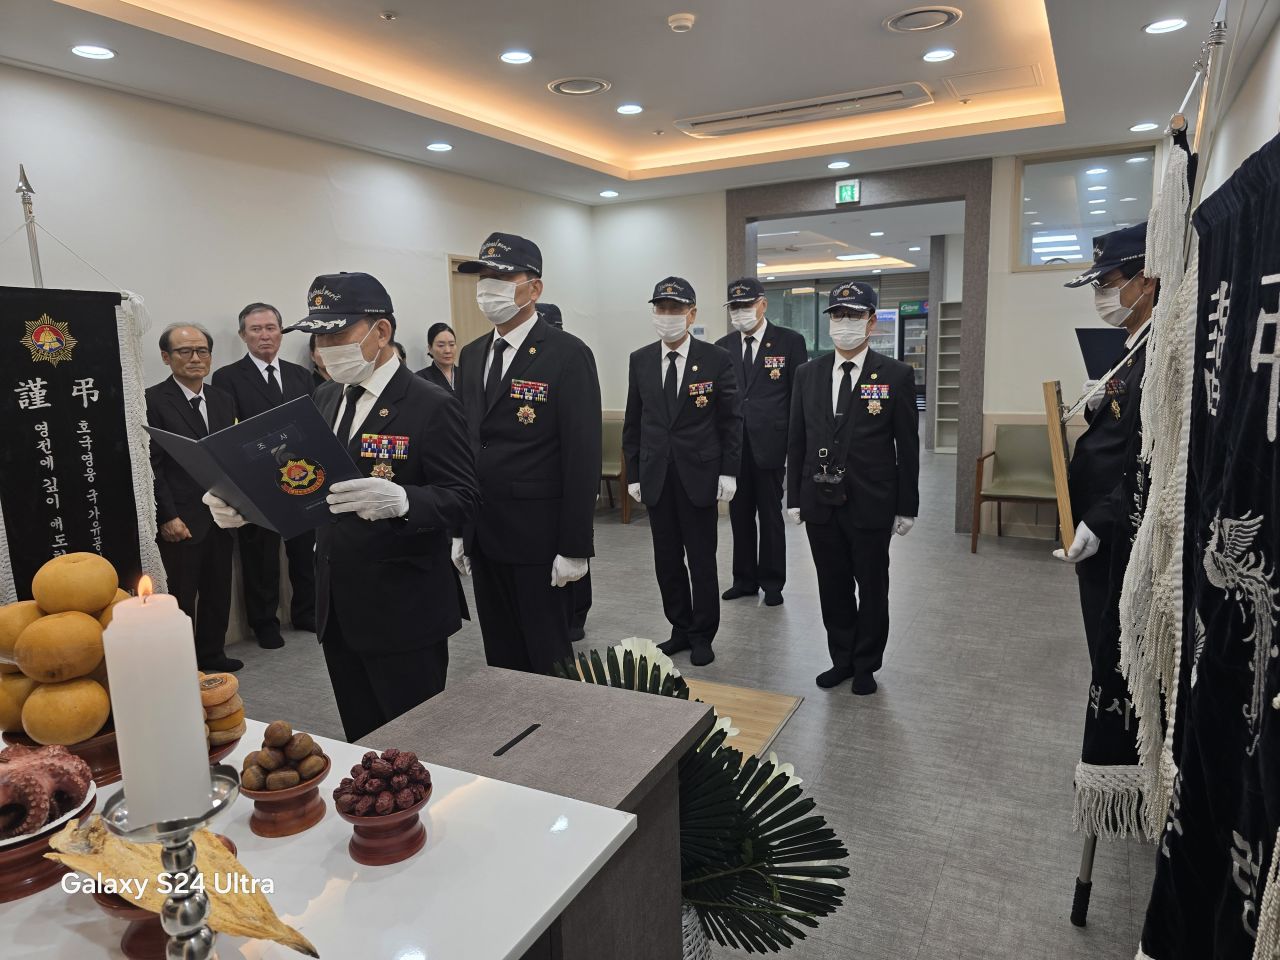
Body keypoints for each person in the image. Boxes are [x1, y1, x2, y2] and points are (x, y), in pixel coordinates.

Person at [205, 272, 479, 742]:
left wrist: (404, 499)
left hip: (403, 606)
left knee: (414, 745)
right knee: (363, 740)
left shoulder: (430, 404)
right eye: (318, 337)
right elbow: (304, 479)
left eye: (337, 334)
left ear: (381, 331)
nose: (325, 348)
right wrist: (245, 503)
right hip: (339, 604)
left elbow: (465, 498)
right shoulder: (327, 395)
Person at [451, 233, 601, 674]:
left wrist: (576, 546)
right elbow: (467, 444)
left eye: (501, 277)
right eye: (483, 277)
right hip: (484, 530)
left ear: (534, 288)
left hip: (539, 536)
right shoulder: (473, 354)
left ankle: (556, 723)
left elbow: (582, 455)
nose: (488, 288)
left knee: (548, 657)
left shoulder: (568, 354)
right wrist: (460, 529)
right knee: (500, 655)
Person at [787, 281, 919, 695]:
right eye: (838, 315)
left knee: (873, 585)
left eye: (854, 315)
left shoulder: (896, 375)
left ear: (871, 321)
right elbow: (797, 439)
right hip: (819, 499)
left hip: (871, 499)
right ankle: (841, 658)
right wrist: (793, 497)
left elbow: (907, 446)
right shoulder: (807, 374)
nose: (845, 323)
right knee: (833, 583)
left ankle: (866, 664)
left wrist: (907, 506)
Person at [623, 277, 742, 666]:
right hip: (657, 476)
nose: (667, 315)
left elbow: (731, 420)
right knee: (667, 560)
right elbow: (634, 421)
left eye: (675, 309)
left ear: (691, 314)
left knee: (702, 560)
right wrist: (634, 473)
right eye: (661, 308)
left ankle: (703, 634)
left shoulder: (715, 358)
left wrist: (729, 471)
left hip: (699, 475)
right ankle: (680, 627)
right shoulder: (640, 359)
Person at [211, 303, 316, 648]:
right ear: (243, 335)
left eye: (271, 328)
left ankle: (307, 611)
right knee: (261, 555)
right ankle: (264, 622)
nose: (265, 335)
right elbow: (230, 431)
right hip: (257, 478)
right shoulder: (227, 377)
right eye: (256, 329)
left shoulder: (300, 376)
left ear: (281, 333)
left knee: (304, 550)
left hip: (301, 473)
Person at [146, 323, 241, 673]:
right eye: (185, 351)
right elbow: (152, 466)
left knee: (218, 589)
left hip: (221, 513)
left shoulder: (222, 399)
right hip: (181, 516)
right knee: (181, 595)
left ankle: (212, 654)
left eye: (202, 351)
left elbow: (230, 455)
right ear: (166, 357)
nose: (195, 358)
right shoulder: (152, 400)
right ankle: (183, 664)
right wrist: (167, 516)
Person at [714, 278, 808, 606]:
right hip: (734, 447)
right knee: (739, 516)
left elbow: (798, 397)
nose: (740, 312)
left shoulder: (789, 342)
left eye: (746, 305)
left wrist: (795, 447)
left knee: (769, 516)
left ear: (763, 305)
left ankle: (772, 582)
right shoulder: (722, 346)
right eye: (734, 307)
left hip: (771, 444)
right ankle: (744, 579)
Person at [536, 302, 590, 640]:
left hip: (567, 477)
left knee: (575, 548)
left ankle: (577, 614)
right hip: (538, 484)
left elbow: (581, 436)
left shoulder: (571, 358)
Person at [416, 322, 460, 392]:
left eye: (452, 344)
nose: (448, 350)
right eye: (441, 345)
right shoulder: (420, 379)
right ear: (430, 349)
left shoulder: (465, 374)